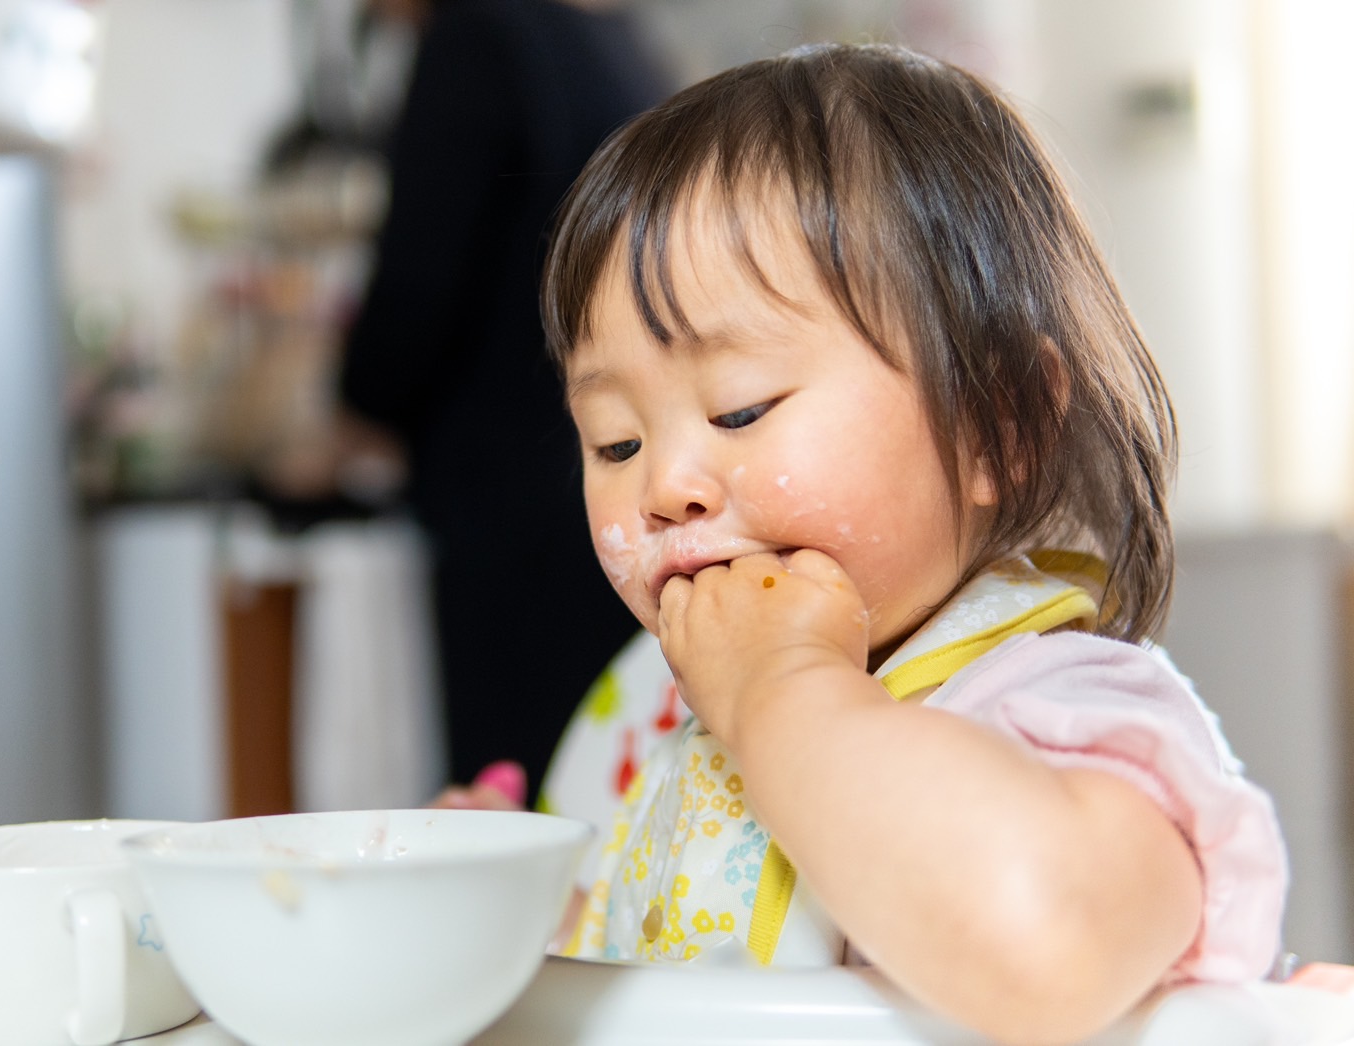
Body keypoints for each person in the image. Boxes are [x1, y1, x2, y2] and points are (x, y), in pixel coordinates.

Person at [536, 42, 1288, 1045]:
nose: (662, 486)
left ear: (998, 423)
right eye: (614, 440)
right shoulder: (668, 733)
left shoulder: (1057, 713)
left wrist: (786, 691)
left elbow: (1042, 944)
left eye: (740, 408)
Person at [338, 0, 670, 804]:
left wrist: (354, 402)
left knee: (524, 780)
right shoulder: (614, 42)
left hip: (515, 503)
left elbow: (416, 285)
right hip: (620, 472)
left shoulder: (478, 35)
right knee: (611, 768)